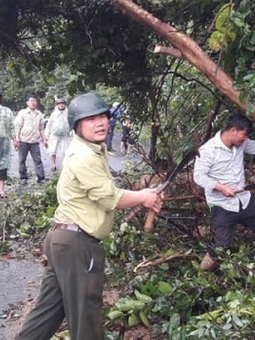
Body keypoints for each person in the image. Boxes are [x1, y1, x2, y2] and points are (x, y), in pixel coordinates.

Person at [16, 93, 162, 340]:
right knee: (86, 315)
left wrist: (144, 194)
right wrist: (143, 196)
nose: (100, 123)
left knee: (49, 311)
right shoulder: (84, 156)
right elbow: (111, 198)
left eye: (102, 116)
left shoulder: (92, 149)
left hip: (63, 239)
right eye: (90, 119)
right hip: (77, 244)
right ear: (77, 125)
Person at [193, 114, 255, 270]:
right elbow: (198, 177)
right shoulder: (208, 150)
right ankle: (201, 273)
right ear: (233, 131)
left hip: (243, 198)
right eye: (244, 135)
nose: (245, 139)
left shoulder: (241, 144)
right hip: (221, 205)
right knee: (221, 247)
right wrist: (221, 187)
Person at [14, 94, 47, 184]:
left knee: (38, 160)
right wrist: (17, 139)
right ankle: (23, 177)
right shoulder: (22, 113)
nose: (33, 103)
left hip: (35, 141)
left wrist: (44, 140)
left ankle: (41, 178)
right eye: (31, 101)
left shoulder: (39, 114)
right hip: (24, 140)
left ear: (37, 103)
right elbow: (18, 126)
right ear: (27, 103)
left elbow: (41, 129)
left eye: (35, 101)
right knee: (22, 160)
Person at [45, 97, 70, 172]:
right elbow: (49, 124)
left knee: (65, 151)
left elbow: (70, 123)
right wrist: (47, 134)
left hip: (65, 135)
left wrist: (72, 134)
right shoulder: (54, 114)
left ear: (65, 105)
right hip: (54, 135)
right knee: (53, 150)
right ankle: (53, 165)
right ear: (57, 105)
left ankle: (65, 165)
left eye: (63, 104)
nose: (61, 105)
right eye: (60, 104)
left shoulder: (68, 113)